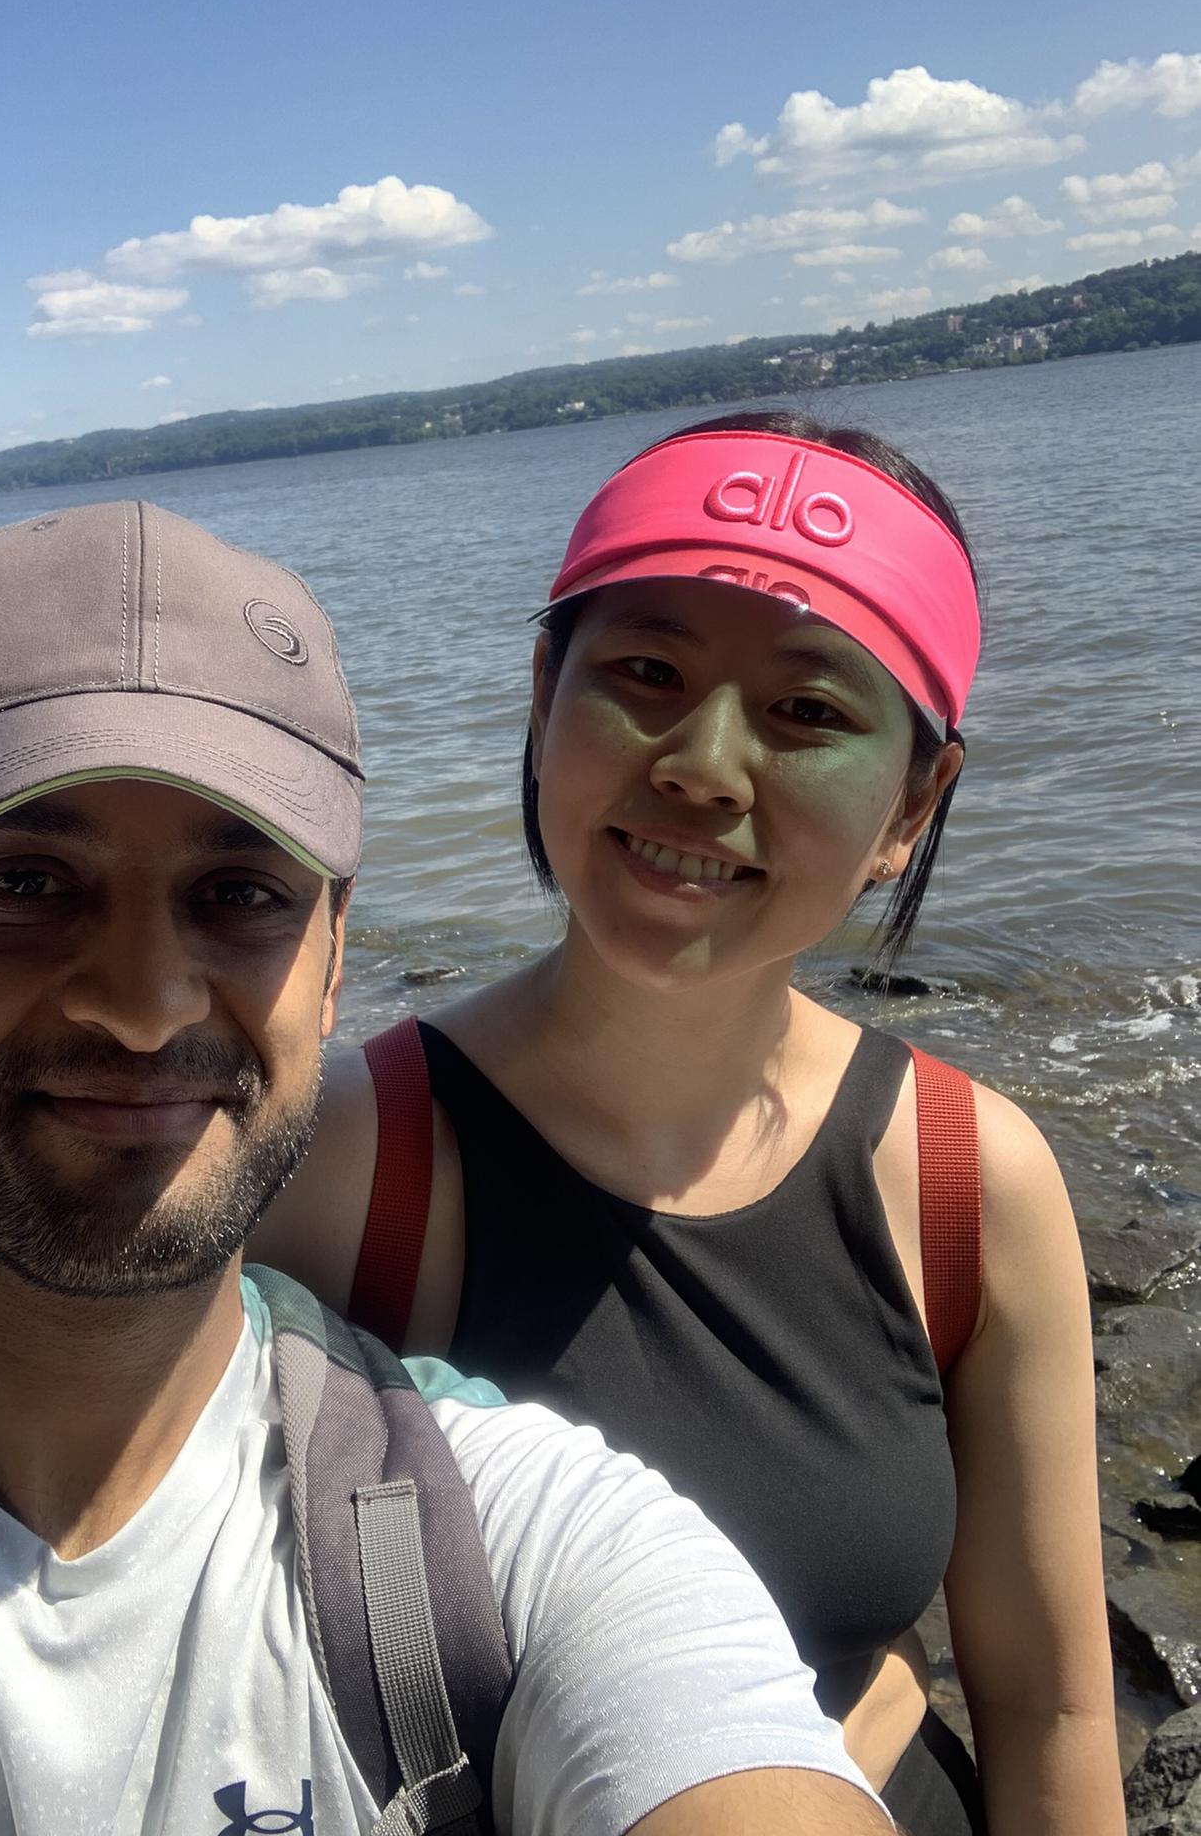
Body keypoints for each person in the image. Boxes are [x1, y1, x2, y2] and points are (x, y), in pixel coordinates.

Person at [0, 499, 894, 1836]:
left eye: (242, 895)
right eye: (26, 884)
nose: (144, 1004)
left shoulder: (511, 1542)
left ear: (331, 968)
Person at [252, 414, 1125, 1836]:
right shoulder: (349, 1160)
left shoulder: (967, 1178)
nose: (706, 767)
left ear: (913, 803)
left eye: (808, 712)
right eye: (648, 674)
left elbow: (1053, 1713)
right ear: (546, 693)